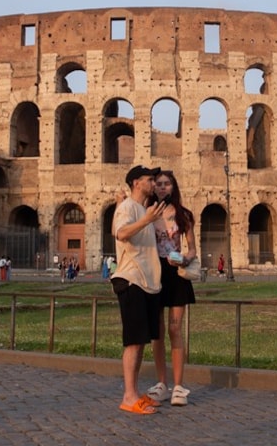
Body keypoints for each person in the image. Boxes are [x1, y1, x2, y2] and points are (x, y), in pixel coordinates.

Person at [112, 165, 165, 414]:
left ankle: (134, 392)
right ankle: (128, 396)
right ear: (136, 182)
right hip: (131, 279)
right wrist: (146, 220)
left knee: (141, 341)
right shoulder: (128, 208)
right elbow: (121, 233)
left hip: (147, 282)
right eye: (149, 179)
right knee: (133, 342)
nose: (154, 183)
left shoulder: (143, 209)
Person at [145, 170, 198, 407]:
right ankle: (162, 383)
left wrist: (185, 258)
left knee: (175, 329)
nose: (163, 187)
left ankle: (178, 385)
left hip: (176, 273)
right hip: (155, 272)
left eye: (167, 183)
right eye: (159, 184)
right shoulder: (148, 213)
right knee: (157, 331)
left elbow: (193, 248)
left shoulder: (183, 215)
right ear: (153, 187)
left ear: (173, 187)